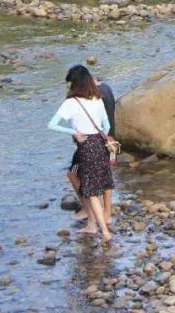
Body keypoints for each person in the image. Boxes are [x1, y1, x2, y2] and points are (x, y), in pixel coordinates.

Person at [48, 65, 115, 243]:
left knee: (91, 192)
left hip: (85, 147)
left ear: (74, 84)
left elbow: (52, 124)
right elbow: (106, 126)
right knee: (100, 184)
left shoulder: (71, 103)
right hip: (100, 144)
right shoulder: (98, 99)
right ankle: (94, 224)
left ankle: (104, 231)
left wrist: (73, 132)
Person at [66, 69, 115, 225]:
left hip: (91, 143)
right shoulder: (105, 90)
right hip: (109, 140)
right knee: (106, 177)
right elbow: (107, 121)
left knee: (73, 174)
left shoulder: (90, 97)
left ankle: (90, 209)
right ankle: (107, 213)